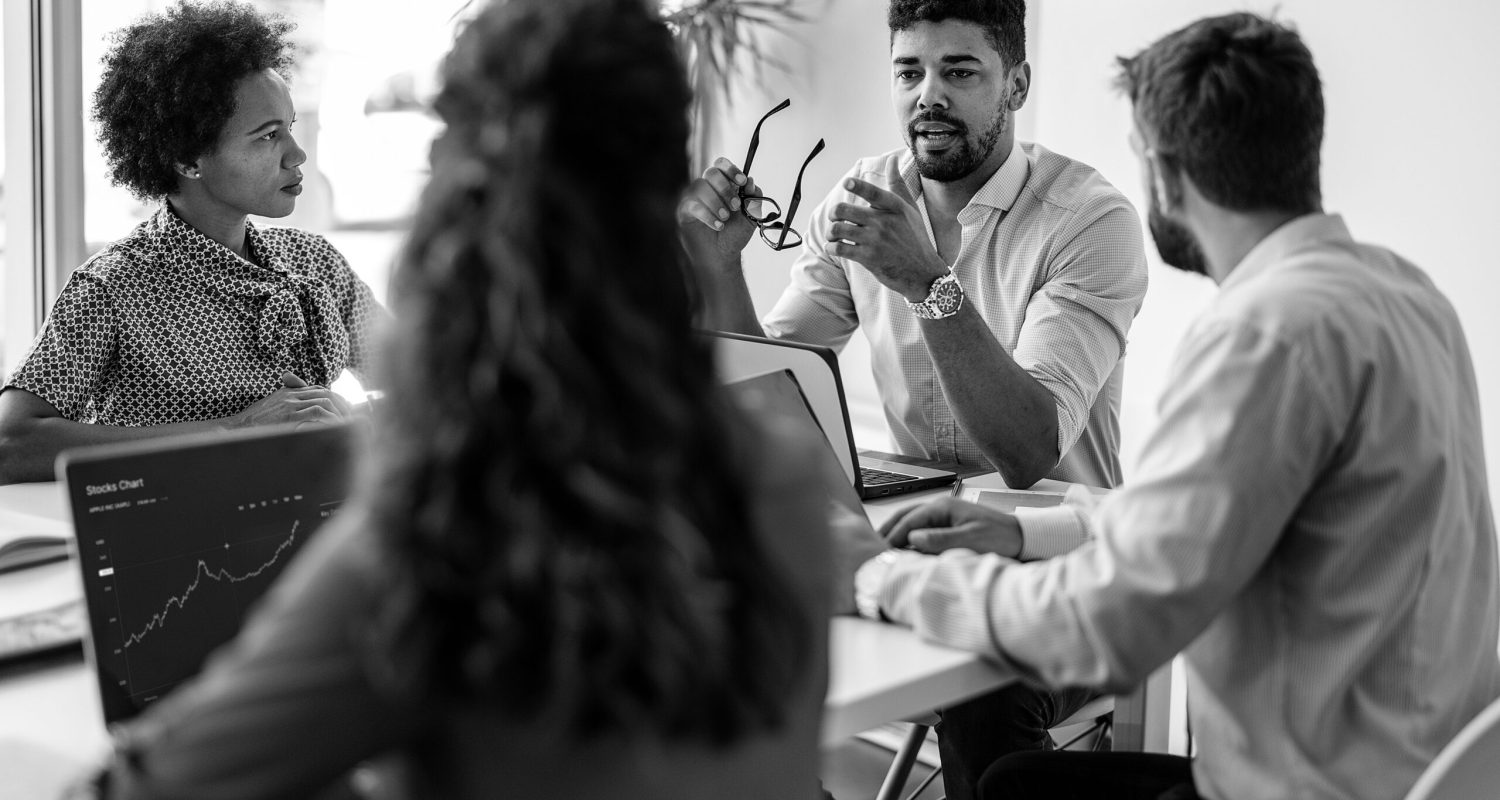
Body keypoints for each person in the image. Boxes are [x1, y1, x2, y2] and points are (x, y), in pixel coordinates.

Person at [72, 0, 831, 798]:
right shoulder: (784, 473)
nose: (294, 154)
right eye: (268, 135)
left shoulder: (439, 539)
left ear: (454, 209)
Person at [838, 12, 1500, 800]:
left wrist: (882, 580)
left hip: (1295, 788)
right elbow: (1199, 518)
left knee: (1014, 786)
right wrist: (1021, 529)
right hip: (1425, 770)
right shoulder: (1406, 293)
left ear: (1168, 172)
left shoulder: (1264, 336)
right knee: (1017, 780)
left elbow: (1115, 625)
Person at [679, 2, 1146, 795]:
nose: (928, 94)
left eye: (959, 71)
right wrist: (721, 269)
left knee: (987, 690)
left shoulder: (1089, 222)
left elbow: (1028, 453)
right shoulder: (863, 195)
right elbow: (778, 384)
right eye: (909, 71)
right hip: (909, 534)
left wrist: (928, 285)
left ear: (1017, 84)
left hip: (1062, 562)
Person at [0, 0, 385, 485]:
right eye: (268, 136)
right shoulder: (114, 287)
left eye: (289, 126)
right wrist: (232, 431)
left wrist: (354, 421)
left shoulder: (315, 261)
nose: (297, 153)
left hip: (316, 526)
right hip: (180, 547)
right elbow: (11, 443)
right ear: (187, 158)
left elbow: (421, 385)